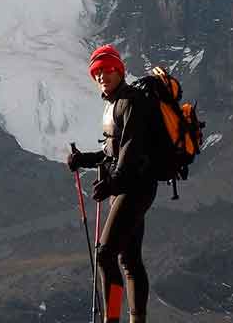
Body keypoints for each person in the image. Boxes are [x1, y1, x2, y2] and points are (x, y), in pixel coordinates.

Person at [67, 44, 159, 323]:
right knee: (128, 260)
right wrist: (83, 159)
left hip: (134, 189)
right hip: (131, 188)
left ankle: (113, 319)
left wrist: (112, 184)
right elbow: (112, 153)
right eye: (97, 72)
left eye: (107, 69)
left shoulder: (130, 102)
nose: (102, 75)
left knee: (106, 255)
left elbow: (130, 152)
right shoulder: (114, 104)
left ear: (119, 71)